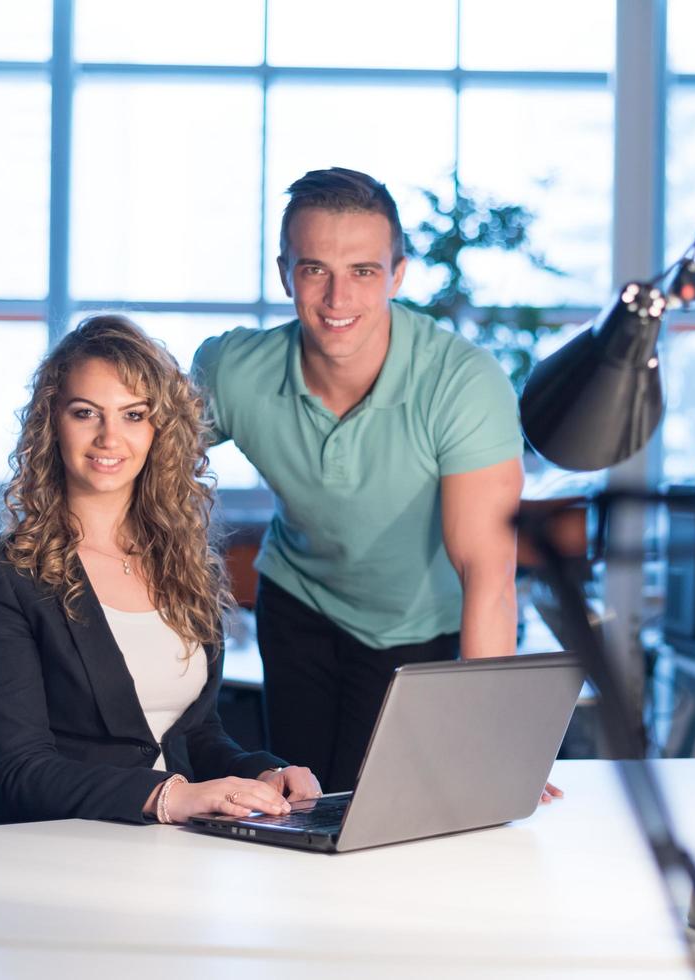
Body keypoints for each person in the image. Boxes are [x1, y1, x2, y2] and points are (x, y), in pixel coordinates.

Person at [192, 167, 560, 799]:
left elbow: (489, 574)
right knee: (300, 806)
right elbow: (132, 456)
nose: (338, 299)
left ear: (397, 274)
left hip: (420, 624)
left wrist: (492, 739)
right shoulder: (234, 369)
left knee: (396, 814)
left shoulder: (461, 383)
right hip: (300, 604)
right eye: (315, 270)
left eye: (362, 271)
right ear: (285, 272)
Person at [0, 315, 321, 824]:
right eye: (86, 413)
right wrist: (171, 798)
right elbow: (20, 768)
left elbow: (193, 734)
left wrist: (263, 774)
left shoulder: (185, 566)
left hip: (180, 850)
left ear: (158, 431)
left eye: (133, 415)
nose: (109, 437)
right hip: (60, 849)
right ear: (51, 422)